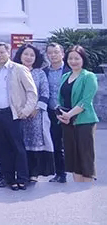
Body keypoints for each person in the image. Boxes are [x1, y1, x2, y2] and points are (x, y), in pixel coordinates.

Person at [0, 42, 37, 191]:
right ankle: (9, 178)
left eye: (2, 52)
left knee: (18, 148)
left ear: (9, 52)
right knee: (2, 148)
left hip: (13, 114)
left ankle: (22, 178)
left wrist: (26, 111)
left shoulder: (19, 69)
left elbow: (32, 92)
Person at [57, 45, 98, 182]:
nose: (73, 61)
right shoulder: (65, 76)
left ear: (83, 59)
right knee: (73, 158)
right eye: (70, 58)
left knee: (85, 158)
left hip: (84, 121)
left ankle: (86, 189)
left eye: (77, 58)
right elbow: (61, 99)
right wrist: (61, 114)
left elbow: (86, 101)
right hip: (67, 122)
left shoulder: (89, 76)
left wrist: (69, 115)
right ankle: (77, 188)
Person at [14, 43, 54, 182]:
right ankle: (21, 172)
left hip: (35, 115)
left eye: (32, 55)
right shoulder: (14, 71)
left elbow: (45, 92)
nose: (29, 57)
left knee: (35, 143)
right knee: (19, 143)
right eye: (26, 54)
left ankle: (34, 172)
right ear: (20, 56)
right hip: (18, 114)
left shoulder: (39, 73)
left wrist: (37, 109)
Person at [44, 42, 68, 182]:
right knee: (57, 143)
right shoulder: (44, 72)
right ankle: (60, 173)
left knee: (73, 143)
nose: (53, 55)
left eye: (56, 52)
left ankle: (84, 171)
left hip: (70, 111)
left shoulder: (70, 70)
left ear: (62, 54)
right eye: (50, 53)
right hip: (52, 112)